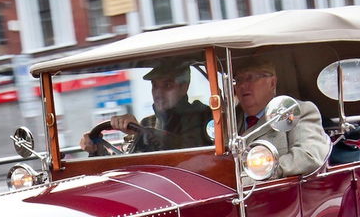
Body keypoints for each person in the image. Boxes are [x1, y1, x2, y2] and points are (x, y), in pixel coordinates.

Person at [79, 59, 212, 155]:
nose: (158, 93)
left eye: (167, 85)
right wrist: (97, 147)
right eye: (154, 85)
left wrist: (143, 133)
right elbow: (128, 161)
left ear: (184, 87)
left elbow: (190, 152)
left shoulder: (203, 116)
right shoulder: (148, 122)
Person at [231, 56, 330, 178]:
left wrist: (262, 172)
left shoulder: (295, 111)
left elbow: (309, 156)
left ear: (272, 83)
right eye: (238, 80)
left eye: (250, 78)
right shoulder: (227, 122)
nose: (243, 85)